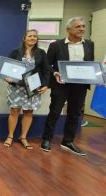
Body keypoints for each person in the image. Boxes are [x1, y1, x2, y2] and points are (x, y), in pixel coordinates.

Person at [41, 17, 94, 156]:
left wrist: (95, 76)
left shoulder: (89, 44)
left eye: (83, 26)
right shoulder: (56, 45)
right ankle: (46, 139)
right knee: (55, 112)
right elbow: (47, 65)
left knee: (75, 114)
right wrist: (55, 73)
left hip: (80, 86)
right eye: (78, 27)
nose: (82, 29)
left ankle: (68, 141)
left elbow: (90, 64)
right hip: (61, 85)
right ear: (68, 29)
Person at [3, 30, 49, 149]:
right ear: (24, 38)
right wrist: (6, 77)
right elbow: (6, 68)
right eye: (30, 36)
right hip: (16, 87)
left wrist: (46, 85)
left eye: (35, 36)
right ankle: (10, 136)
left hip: (33, 87)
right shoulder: (15, 52)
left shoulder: (41, 53)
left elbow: (46, 70)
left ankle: (23, 137)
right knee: (14, 111)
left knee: (28, 112)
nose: (32, 38)